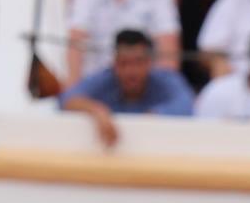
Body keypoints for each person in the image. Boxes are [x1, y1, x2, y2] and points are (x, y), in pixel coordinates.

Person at [59, 29, 195, 146]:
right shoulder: (105, 79)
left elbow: (186, 104)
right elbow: (67, 98)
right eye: (124, 63)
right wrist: (97, 110)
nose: (131, 71)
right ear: (115, 63)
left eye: (138, 62)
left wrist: (151, 118)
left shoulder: (166, 80)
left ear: (150, 62)